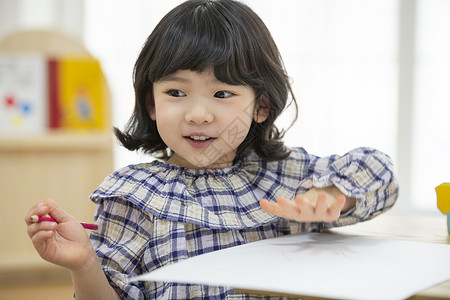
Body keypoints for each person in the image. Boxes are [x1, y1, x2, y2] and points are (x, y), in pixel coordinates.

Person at [25, 0, 399, 299]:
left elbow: (376, 169)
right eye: (176, 93)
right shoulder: (133, 194)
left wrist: (334, 196)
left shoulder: (286, 174)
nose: (198, 114)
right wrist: (84, 263)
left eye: (222, 94)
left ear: (261, 107)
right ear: (151, 104)